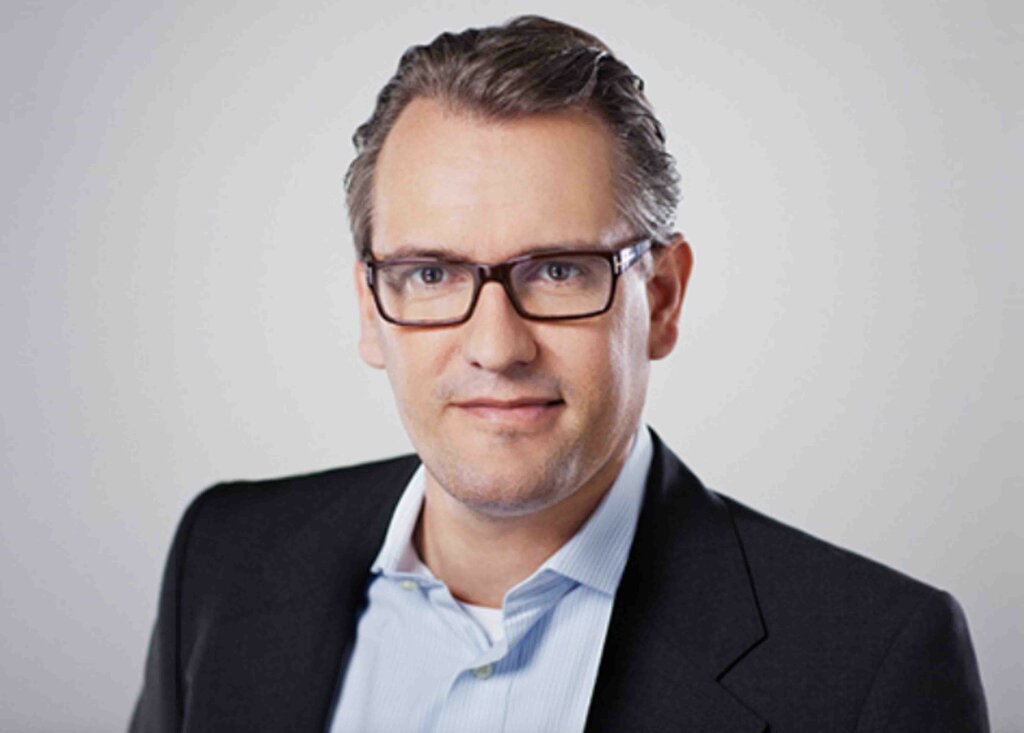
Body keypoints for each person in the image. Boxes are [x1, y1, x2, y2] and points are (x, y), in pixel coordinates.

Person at [129, 15, 989, 733]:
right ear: (370, 308)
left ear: (662, 299)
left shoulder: (872, 665)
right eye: (431, 273)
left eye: (558, 271)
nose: (496, 345)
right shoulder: (224, 559)